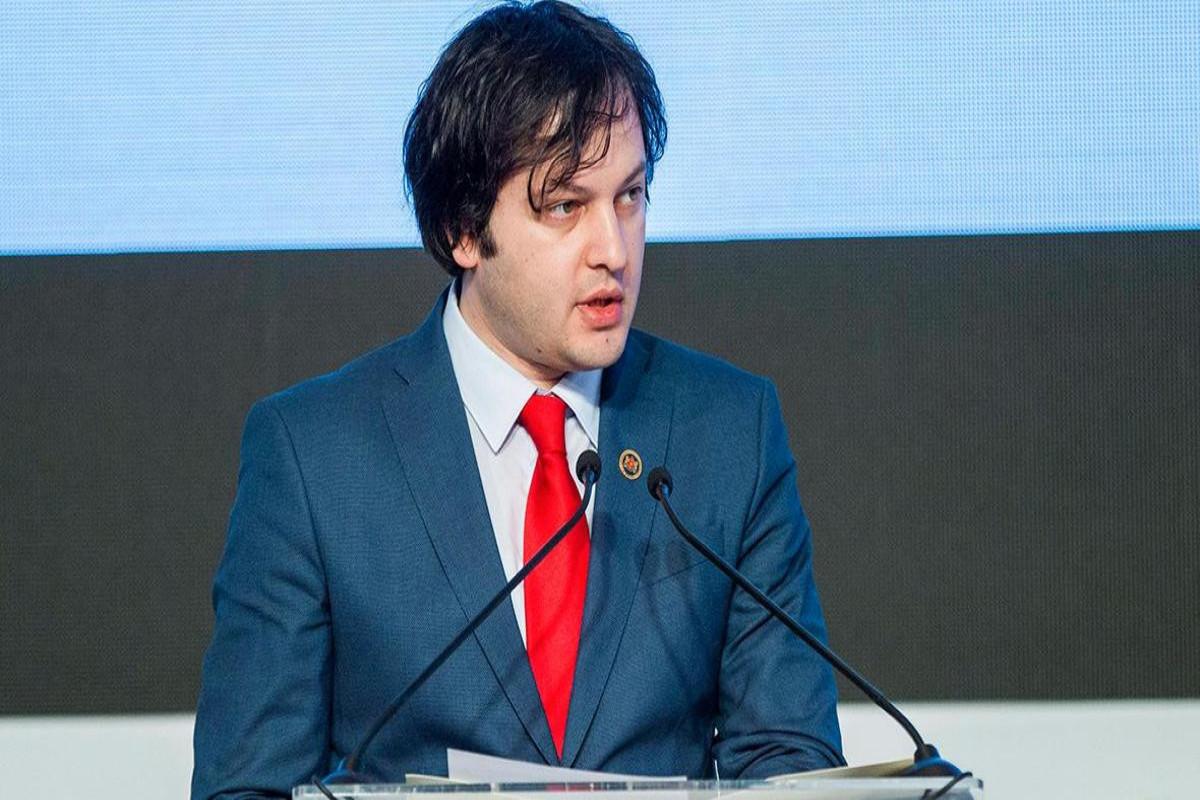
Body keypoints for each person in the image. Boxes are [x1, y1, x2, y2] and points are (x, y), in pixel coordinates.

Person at [192, 3, 843, 797]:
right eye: (566, 206)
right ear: (463, 230)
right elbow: (247, 786)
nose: (613, 250)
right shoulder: (312, 458)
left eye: (630, 196)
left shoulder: (730, 432)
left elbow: (789, 761)